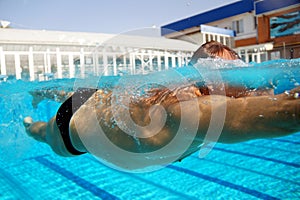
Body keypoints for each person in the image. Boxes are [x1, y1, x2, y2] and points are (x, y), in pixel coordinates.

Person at [23, 41, 300, 170]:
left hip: (99, 98)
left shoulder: (193, 99)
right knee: (40, 132)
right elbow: (286, 113)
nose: (250, 88)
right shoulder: (189, 110)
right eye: (236, 77)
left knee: (72, 91)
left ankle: (43, 92)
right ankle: (29, 120)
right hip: (72, 127)